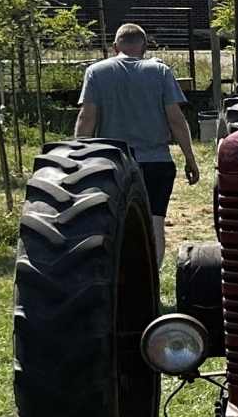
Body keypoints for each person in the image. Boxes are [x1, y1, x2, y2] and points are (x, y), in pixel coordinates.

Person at [76, 22, 198, 262]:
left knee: (112, 224)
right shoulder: (160, 72)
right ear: (144, 47)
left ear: (114, 47)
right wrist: (190, 158)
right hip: (156, 162)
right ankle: (150, 287)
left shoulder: (96, 72)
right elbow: (175, 119)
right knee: (154, 223)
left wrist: (78, 159)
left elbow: (86, 118)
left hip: (111, 164)